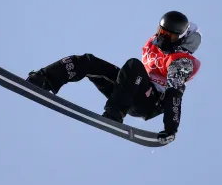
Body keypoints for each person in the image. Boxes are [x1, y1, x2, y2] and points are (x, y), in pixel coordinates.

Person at [26, 11, 201, 145]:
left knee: (133, 66)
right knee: (88, 62)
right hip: (131, 89)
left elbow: (174, 94)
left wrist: (171, 129)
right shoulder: (155, 43)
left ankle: (115, 113)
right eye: (161, 31)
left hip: (150, 101)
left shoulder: (181, 61)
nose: (163, 36)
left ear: (180, 38)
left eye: (169, 35)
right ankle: (44, 79)